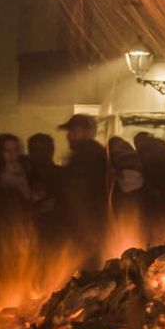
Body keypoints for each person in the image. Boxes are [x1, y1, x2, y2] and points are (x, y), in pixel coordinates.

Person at [58, 114, 110, 266]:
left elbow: (79, 195)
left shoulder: (87, 156)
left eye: (75, 131)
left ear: (88, 132)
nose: (69, 136)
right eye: (70, 131)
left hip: (87, 228)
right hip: (90, 227)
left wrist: (87, 229)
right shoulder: (91, 153)